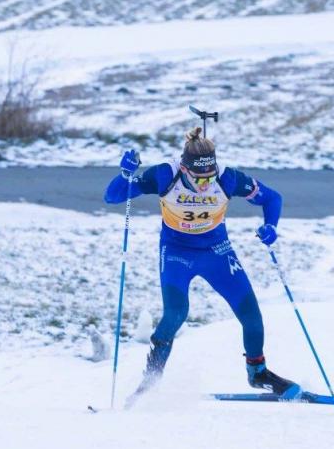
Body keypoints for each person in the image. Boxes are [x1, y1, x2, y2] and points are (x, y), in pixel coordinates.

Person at [104, 126, 299, 404]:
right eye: (199, 178)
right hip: (177, 252)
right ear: (184, 169)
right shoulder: (164, 175)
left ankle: (258, 373)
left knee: (251, 315)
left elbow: (272, 198)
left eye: (210, 177)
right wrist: (125, 174)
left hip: (216, 251)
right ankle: (149, 382)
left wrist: (271, 226)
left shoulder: (227, 177)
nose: (206, 184)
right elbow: (112, 196)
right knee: (176, 313)